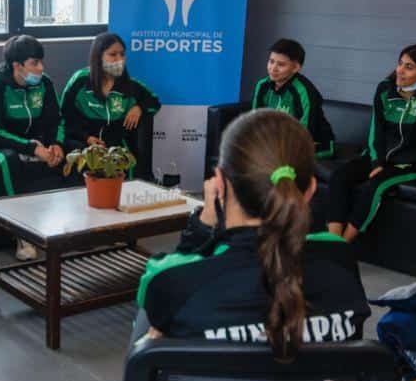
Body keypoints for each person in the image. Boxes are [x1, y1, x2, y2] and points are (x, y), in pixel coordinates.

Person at [135, 110, 369, 358]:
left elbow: (174, 276)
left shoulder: (171, 276)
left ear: (220, 185)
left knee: (149, 321)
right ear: (310, 189)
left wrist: (202, 227)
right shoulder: (340, 255)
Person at [326, 43, 416, 242]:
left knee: (373, 187)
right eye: (400, 63)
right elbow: (376, 129)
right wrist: (377, 161)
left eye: (408, 67)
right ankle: (331, 241)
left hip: (412, 162)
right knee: (339, 177)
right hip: (378, 155)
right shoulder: (385, 89)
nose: (399, 71)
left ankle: (342, 245)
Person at [0, 35, 64, 261]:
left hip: (32, 145)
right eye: (34, 63)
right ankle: (22, 234)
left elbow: (56, 119)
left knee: (71, 151)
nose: (40, 68)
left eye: (41, 62)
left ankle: (71, 230)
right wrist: (31, 149)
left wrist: (56, 145)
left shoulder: (45, 83)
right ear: (17, 65)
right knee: (8, 159)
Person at [60, 32, 160, 167]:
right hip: (84, 141)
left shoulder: (131, 85)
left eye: (122, 54)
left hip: (116, 146)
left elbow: (154, 101)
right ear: (98, 57)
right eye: (113, 55)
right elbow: (65, 115)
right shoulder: (80, 81)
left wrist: (139, 107)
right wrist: (86, 138)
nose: (119, 59)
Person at [251, 38, 335, 158]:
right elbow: (256, 121)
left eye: (281, 64)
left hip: (314, 143)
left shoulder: (304, 91)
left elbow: (305, 132)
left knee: (275, 159)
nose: (273, 68)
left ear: (295, 67)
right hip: (278, 143)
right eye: (271, 61)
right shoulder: (262, 85)